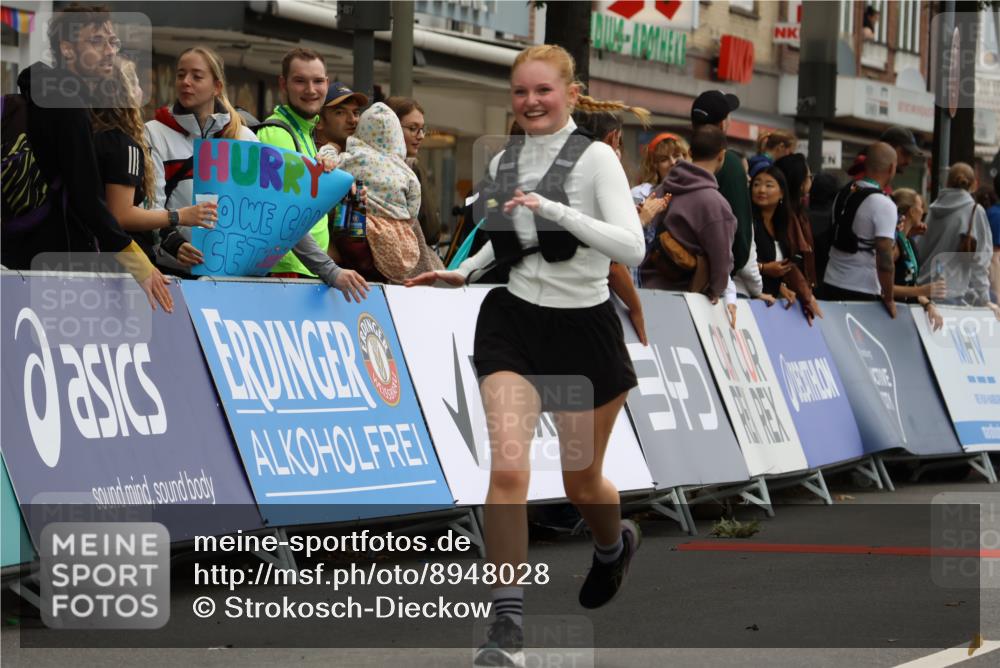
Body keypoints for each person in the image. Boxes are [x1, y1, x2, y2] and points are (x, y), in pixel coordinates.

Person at [405, 44, 645, 668]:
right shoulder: (508, 157)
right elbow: (507, 236)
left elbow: (633, 246)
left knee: (579, 479)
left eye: (543, 91)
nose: (531, 103)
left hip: (583, 332)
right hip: (512, 322)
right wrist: (467, 272)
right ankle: (505, 623)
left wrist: (555, 206)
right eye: (520, 92)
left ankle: (614, 544)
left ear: (570, 92)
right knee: (508, 470)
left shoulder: (597, 160)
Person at [145, 46, 368, 301]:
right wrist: (173, 243)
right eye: (180, 75)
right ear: (284, 84)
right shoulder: (154, 132)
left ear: (217, 86)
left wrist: (329, 270)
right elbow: (149, 207)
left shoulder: (244, 137)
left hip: (239, 283)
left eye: (196, 76)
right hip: (175, 277)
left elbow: (281, 215)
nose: (186, 82)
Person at [3, 3, 172, 312]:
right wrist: (140, 265)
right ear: (67, 49)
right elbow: (87, 199)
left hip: (18, 255)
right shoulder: (67, 105)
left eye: (112, 41)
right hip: (50, 264)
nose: (109, 50)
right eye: (96, 41)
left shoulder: (44, 90)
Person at [91, 58, 217, 263]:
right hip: (113, 260)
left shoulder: (91, 133)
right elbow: (121, 215)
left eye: (197, 76)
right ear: (124, 92)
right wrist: (180, 216)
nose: (141, 90)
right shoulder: (123, 143)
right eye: (136, 83)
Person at [643, 125, 747, 325]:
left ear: (689, 152)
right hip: (686, 301)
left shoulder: (662, 189)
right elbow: (722, 260)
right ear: (721, 155)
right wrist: (716, 289)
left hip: (648, 289)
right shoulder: (715, 204)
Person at [572, 104, 653, 345]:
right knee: (618, 381)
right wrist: (637, 309)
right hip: (587, 302)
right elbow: (615, 262)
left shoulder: (559, 166)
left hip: (541, 297)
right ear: (613, 137)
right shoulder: (603, 168)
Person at [819, 141, 898, 318]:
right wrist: (889, 298)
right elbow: (885, 259)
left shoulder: (843, 193)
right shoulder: (884, 204)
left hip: (831, 281)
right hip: (862, 289)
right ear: (892, 168)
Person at [690, 90, 756, 298]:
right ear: (721, 124)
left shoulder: (680, 157)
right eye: (728, 116)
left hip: (673, 271)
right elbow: (741, 238)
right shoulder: (730, 164)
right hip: (718, 285)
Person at [916, 163, 997, 311]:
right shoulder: (974, 211)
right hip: (950, 293)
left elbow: (920, 251)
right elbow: (980, 261)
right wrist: (985, 299)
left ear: (947, 182)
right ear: (974, 184)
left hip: (923, 292)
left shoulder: (933, 209)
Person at [750, 163, 823, 324]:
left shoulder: (782, 225)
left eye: (769, 185)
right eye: (756, 184)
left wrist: (783, 288)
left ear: (782, 192)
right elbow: (736, 264)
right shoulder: (748, 222)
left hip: (768, 305)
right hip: (747, 301)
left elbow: (787, 265)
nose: (761, 190)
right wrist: (764, 268)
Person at [385, 96, 443, 248]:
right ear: (392, 127)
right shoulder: (411, 168)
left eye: (422, 129)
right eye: (412, 128)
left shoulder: (359, 162)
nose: (421, 136)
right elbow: (431, 231)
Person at [890, 188, 944, 330]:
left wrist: (928, 304)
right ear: (911, 211)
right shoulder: (894, 246)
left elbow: (908, 283)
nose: (923, 211)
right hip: (890, 315)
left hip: (904, 315)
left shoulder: (909, 241)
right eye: (920, 206)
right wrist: (922, 290)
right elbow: (883, 288)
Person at [315, 80, 366, 152]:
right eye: (340, 112)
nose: (352, 120)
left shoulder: (361, 155)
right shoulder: (308, 156)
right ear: (318, 121)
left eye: (355, 112)